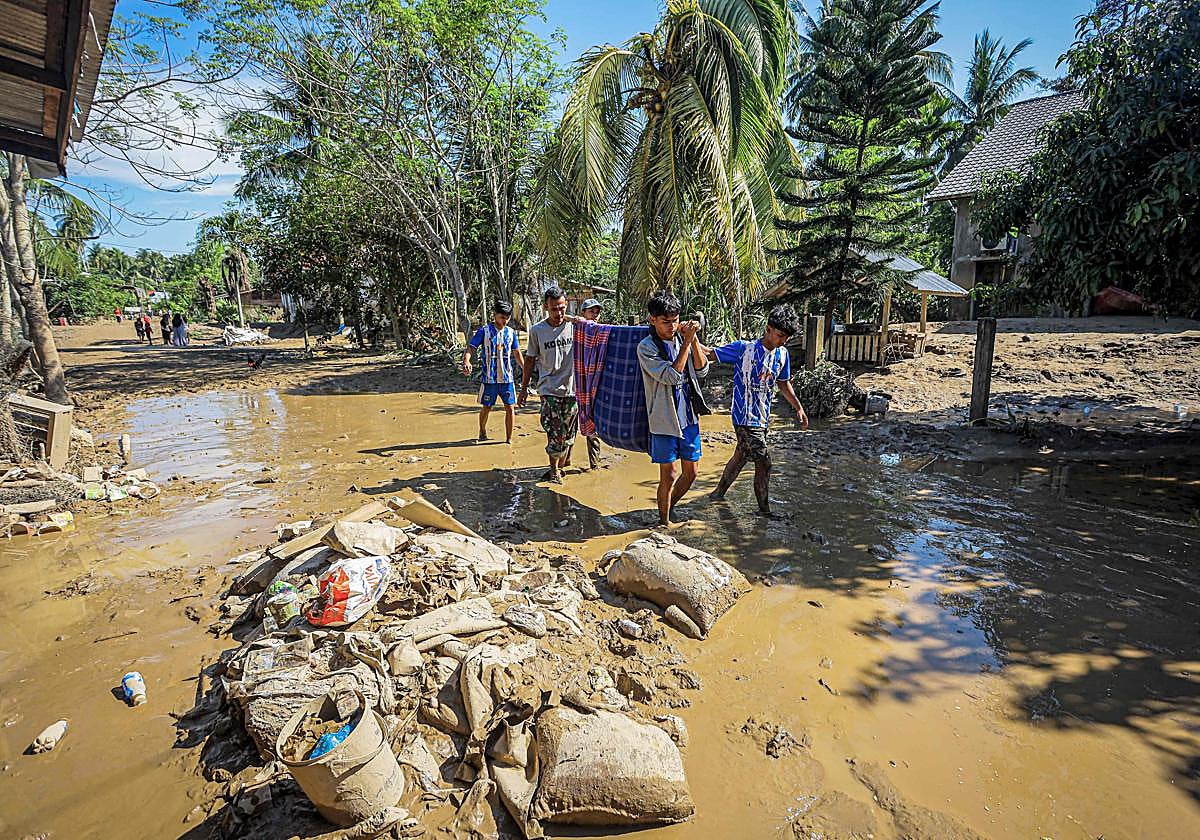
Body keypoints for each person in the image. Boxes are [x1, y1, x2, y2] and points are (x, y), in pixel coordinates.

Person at [703, 304, 809, 517]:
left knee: (741, 456)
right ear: (768, 329)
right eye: (780, 335)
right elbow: (710, 353)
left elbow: (783, 383)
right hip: (743, 417)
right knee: (764, 462)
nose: (782, 341)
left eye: (786, 338)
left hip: (762, 418)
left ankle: (717, 495)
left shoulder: (783, 354)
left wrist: (798, 407)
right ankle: (764, 511)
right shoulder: (744, 348)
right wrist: (688, 339)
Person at [636, 290, 709, 526]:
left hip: (688, 416)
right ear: (653, 320)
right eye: (666, 321)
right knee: (669, 475)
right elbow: (671, 376)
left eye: (675, 320)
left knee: (692, 473)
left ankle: (670, 506)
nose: (672, 326)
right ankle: (664, 522)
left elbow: (702, 370)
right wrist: (687, 341)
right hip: (663, 419)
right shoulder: (646, 347)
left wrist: (694, 340)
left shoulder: (682, 339)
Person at [519, 286, 576, 484]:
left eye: (561, 308)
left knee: (569, 433)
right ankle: (554, 471)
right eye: (554, 309)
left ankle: (561, 465)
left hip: (572, 390)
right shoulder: (537, 331)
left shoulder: (575, 327)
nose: (559, 313)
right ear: (546, 307)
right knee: (555, 431)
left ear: (566, 305)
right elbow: (529, 361)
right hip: (549, 390)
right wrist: (523, 389)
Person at [462, 300, 521, 444]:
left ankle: (508, 439)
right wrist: (466, 361)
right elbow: (471, 347)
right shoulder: (484, 331)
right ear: (495, 315)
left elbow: (517, 353)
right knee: (487, 407)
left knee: (510, 407)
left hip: (507, 378)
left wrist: (526, 370)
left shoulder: (511, 333)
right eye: (502, 317)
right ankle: (482, 430)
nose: (505, 321)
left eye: (507, 318)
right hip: (489, 379)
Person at [578, 297, 605, 469]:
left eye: (597, 312)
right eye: (591, 311)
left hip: (593, 385)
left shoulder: (601, 332)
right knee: (569, 427)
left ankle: (594, 465)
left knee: (593, 427)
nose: (594, 315)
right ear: (582, 313)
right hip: (575, 384)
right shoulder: (575, 330)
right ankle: (563, 463)